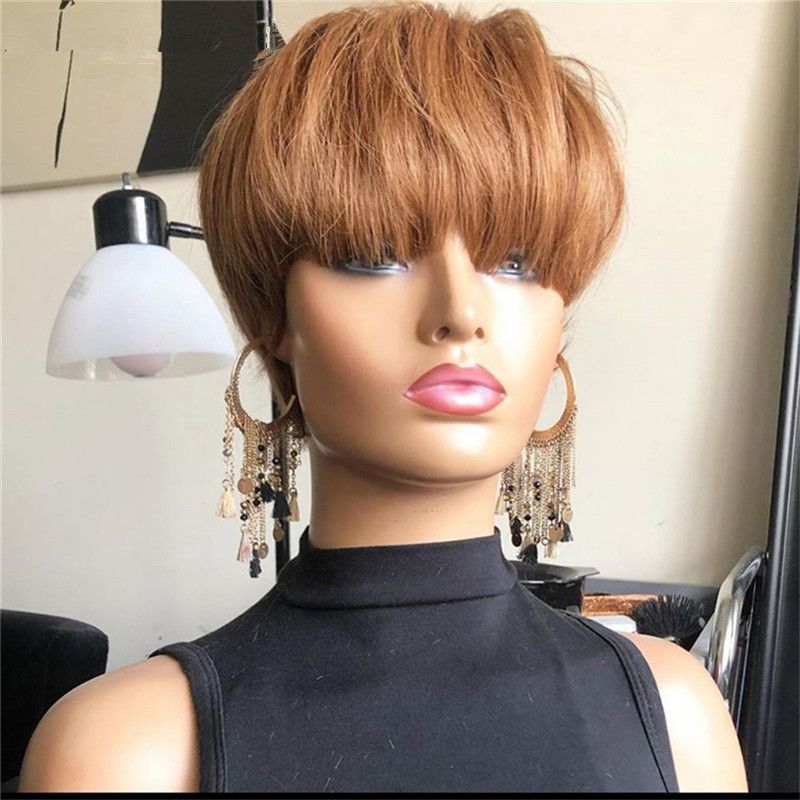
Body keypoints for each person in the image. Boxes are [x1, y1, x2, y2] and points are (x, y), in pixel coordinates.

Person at [19, 1, 748, 792]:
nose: (461, 313)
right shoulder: (129, 753)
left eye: (516, 260)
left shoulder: (677, 713)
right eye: (373, 255)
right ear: (274, 323)